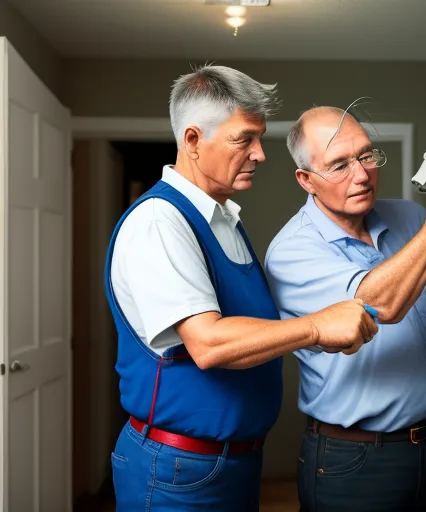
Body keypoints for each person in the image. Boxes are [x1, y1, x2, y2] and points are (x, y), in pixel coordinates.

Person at [104, 68, 378, 511]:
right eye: (244, 139)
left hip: (232, 463)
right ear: (193, 140)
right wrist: (315, 327)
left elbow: (247, 331)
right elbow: (208, 343)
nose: (259, 154)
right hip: (178, 470)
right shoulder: (160, 222)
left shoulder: (224, 219)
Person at [264, 106, 426, 512]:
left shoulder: (410, 217)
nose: (362, 174)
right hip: (355, 460)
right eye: (339, 165)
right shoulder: (291, 251)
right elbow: (379, 304)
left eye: (366, 155)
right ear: (306, 180)